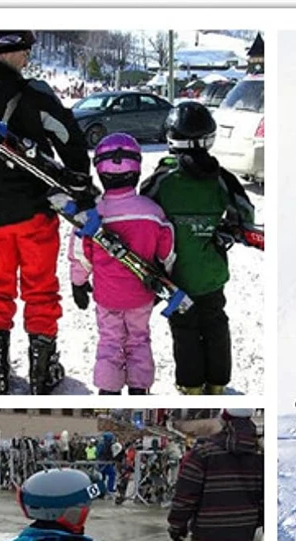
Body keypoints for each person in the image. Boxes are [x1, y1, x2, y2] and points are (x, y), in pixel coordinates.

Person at [0, 30, 92, 395]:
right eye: (26, 51)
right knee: (40, 289)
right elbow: (69, 137)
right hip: (35, 213)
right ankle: (44, 369)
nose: (28, 59)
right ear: (15, 50)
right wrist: (80, 186)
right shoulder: (32, 94)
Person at [140, 102, 255, 395]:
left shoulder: (160, 180)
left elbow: (144, 216)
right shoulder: (222, 179)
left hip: (174, 275)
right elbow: (246, 215)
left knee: (185, 328)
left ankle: (190, 385)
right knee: (216, 323)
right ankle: (217, 383)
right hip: (211, 272)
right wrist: (223, 231)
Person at [68, 133, 175, 395]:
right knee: (139, 339)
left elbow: (81, 254)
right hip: (141, 294)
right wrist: (165, 278)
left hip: (108, 296)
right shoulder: (152, 212)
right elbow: (167, 251)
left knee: (110, 341)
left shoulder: (92, 215)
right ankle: (139, 388)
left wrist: (78, 283)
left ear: (101, 173)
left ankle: (109, 389)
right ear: (137, 171)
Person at [167, 409, 264, 541]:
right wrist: (257, 519)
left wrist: (177, 524)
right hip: (243, 528)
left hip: (210, 528)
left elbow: (186, 492)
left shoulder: (204, 453)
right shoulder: (258, 454)